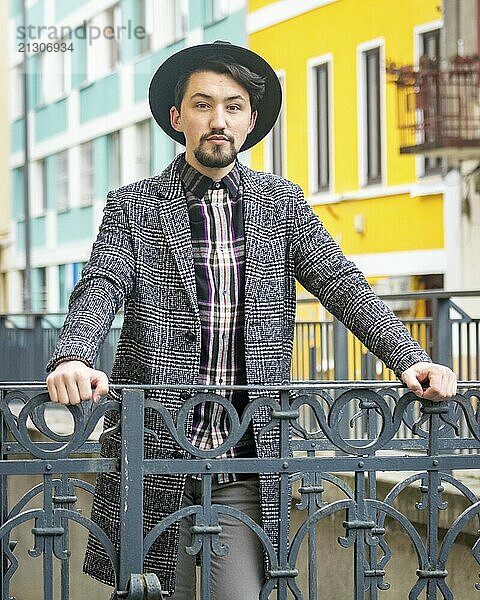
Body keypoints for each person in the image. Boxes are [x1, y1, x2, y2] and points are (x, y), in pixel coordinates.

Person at [46, 41, 457, 599]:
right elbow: (101, 287)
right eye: (202, 104)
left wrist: (409, 360)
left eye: (233, 106)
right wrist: (75, 354)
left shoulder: (280, 202)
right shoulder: (132, 205)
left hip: (246, 456)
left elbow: (341, 284)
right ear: (177, 117)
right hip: (154, 456)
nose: (218, 120)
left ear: (251, 119)